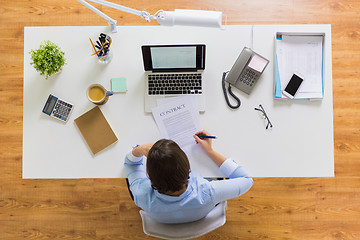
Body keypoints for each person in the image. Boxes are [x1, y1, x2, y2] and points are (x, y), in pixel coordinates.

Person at [124, 130, 253, 224]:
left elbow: (130, 164)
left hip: (162, 218)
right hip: (198, 214)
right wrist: (210, 151)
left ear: (149, 173)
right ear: (187, 167)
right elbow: (247, 180)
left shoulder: (141, 195)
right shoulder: (208, 192)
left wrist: (140, 149)